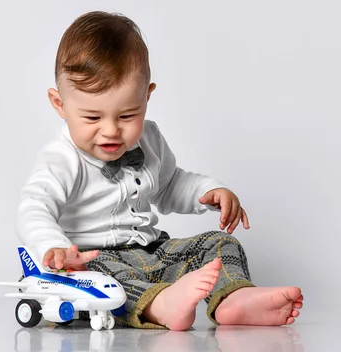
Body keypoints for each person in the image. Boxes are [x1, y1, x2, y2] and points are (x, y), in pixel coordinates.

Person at [16, 10, 303, 330]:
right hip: (88, 258)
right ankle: (159, 305)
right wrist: (52, 246)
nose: (111, 131)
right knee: (102, 279)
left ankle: (232, 299)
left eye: (127, 116)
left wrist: (207, 191)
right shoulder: (61, 159)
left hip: (150, 250)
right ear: (60, 105)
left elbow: (169, 185)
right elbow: (34, 206)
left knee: (219, 244)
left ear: (147, 97)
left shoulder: (149, 139)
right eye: (93, 118)